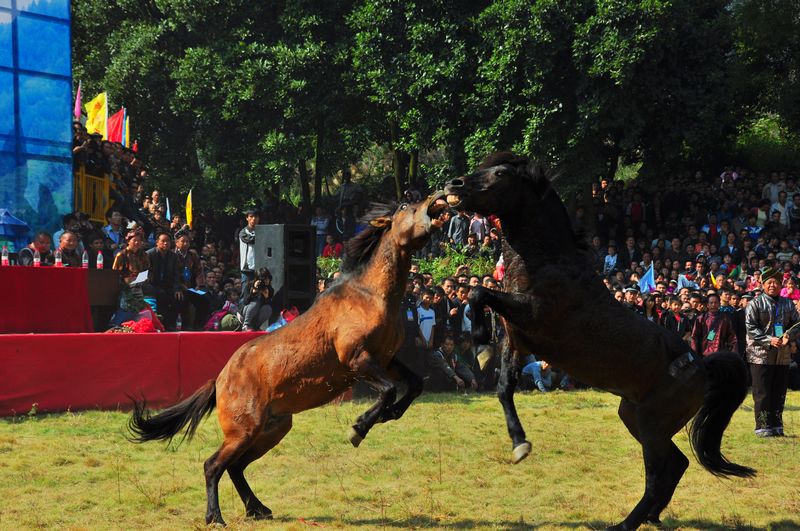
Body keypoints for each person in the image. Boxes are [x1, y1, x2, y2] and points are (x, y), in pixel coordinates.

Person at [744, 266, 799, 437]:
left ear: (780, 284)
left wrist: (788, 336)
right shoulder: (755, 303)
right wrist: (769, 339)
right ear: (763, 284)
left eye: (776, 282)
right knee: (762, 392)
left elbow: (797, 324)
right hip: (761, 355)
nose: (772, 285)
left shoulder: (788, 303)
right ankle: (762, 426)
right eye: (769, 282)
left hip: (782, 355)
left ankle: (776, 425)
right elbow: (750, 327)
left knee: (779, 391)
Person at [145, 232, 182, 330]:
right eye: (163, 241)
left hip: (167, 285)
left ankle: (171, 324)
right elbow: (146, 272)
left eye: (168, 241)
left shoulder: (173, 256)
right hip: (153, 285)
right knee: (161, 295)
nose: (166, 243)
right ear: (157, 242)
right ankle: (161, 324)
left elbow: (176, 274)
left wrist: (177, 289)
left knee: (178, 297)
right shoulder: (149, 254)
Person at [238, 209, 259, 286]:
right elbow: (252, 240)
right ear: (247, 218)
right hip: (247, 268)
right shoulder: (243, 232)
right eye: (251, 216)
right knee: (246, 293)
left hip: (259, 267)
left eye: (256, 217)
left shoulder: (262, 231)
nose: (253, 219)